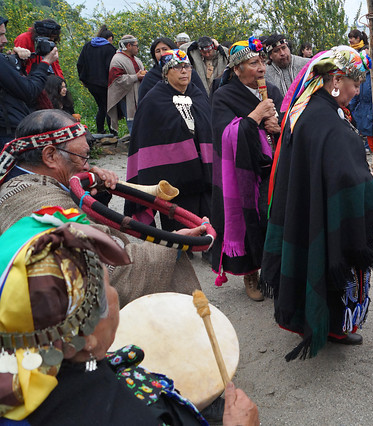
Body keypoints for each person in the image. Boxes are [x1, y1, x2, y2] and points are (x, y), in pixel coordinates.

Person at [0, 213, 259, 425]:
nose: (114, 293)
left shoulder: (17, 384)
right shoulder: (133, 417)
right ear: (86, 337)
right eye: (107, 285)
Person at [0, 109, 205, 306]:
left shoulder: (20, 186)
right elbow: (110, 271)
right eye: (82, 156)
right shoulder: (46, 206)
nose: (87, 166)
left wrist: (95, 198)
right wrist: (173, 246)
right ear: (50, 156)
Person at [261, 46, 373, 360]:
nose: (358, 91)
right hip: (323, 212)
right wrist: (372, 184)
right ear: (336, 80)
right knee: (327, 259)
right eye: (355, 84)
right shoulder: (326, 121)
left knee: (311, 257)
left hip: (307, 207)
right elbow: (345, 179)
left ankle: (311, 318)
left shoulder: (307, 109)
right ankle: (327, 324)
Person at [209, 37, 283, 302]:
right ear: (237, 69)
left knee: (274, 216)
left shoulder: (272, 89)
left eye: (262, 61)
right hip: (241, 170)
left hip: (272, 166)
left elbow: (288, 120)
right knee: (250, 218)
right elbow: (224, 134)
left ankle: (276, 271)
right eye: (254, 63)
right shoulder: (224, 95)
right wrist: (256, 116)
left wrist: (279, 126)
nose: (261, 68)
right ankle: (251, 272)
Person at [125, 49, 213, 232]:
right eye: (177, 67)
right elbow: (145, 141)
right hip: (172, 179)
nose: (184, 71)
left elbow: (209, 130)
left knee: (208, 221)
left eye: (187, 67)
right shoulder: (153, 101)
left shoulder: (198, 96)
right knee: (179, 232)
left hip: (203, 173)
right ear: (165, 72)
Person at [0, 16, 57, 147]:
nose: (5, 40)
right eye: (0, 35)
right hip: (7, 134)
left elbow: (10, 84)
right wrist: (45, 63)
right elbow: (29, 91)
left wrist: (16, 61)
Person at [138, 37, 206, 102]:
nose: (162, 53)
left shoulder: (188, 72)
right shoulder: (150, 78)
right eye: (157, 51)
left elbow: (202, 100)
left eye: (165, 49)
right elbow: (145, 106)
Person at [77, 25, 116, 134]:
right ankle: (113, 133)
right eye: (111, 40)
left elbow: (80, 64)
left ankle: (100, 130)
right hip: (105, 84)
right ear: (108, 39)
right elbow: (113, 67)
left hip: (91, 84)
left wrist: (83, 79)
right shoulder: (110, 49)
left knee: (101, 106)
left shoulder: (87, 46)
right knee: (109, 108)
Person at [107, 35, 146, 134]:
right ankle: (135, 146)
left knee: (142, 121)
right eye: (136, 46)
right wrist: (135, 77)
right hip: (127, 98)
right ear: (129, 45)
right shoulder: (117, 60)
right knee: (132, 122)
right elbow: (117, 80)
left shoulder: (136, 59)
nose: (138, 48)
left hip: (140, 95)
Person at [264, 34, 309, 100]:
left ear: (288, 48)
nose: (282, 53)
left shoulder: (306, 64)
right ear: (270, 56)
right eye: (276, 51)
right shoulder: (265, 74)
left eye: (284, 48)